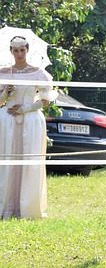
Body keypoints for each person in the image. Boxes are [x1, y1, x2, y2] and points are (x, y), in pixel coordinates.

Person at [0, 36, 56, 219]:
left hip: (30, 120)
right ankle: (7, 206)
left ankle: (28, 208)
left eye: (22, 50)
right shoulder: (3, 73)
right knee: (7, 161)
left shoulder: (38, 73)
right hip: (7, 120)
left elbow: (46, 100)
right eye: (15, 50)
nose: (19, 54)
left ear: (27, 50)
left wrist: (26, 108)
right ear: (10, 51)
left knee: (29, 162)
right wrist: (4, 93)